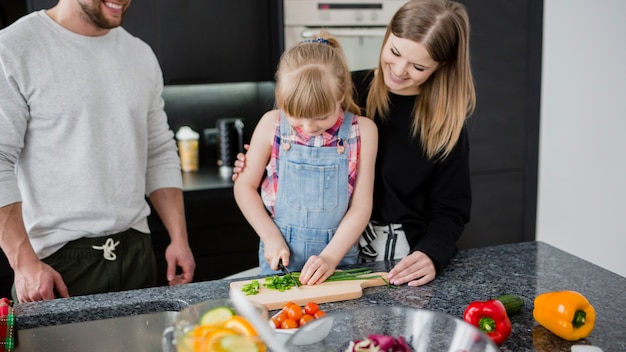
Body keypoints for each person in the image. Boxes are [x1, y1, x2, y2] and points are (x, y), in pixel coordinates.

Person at [233, 0, 475, 287]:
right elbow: (285, 139)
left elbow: (451, 209)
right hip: (318, 251)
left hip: (398, 259)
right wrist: (257, 165)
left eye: (418, 66)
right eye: (395, 52)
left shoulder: (445, 123)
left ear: (441, 66)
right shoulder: (336, 88)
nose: (398, 70)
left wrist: (433, 253)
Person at [0, 0, 196, 303]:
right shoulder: (14, 48)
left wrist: (179, 238)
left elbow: (158, 150)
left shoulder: (139, 54)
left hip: (137, 252)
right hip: (56, 264)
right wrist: (23, 263)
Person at [233, 31, 378, 285]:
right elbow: (244, 186)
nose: (309, 127)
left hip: (338, 260)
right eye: (296, 115)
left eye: (321, 117)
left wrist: (330, 258)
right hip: (279, 258)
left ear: (340, 97)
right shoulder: (271, 124)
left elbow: (361, 207)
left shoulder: (363, 131)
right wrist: (270, 237)